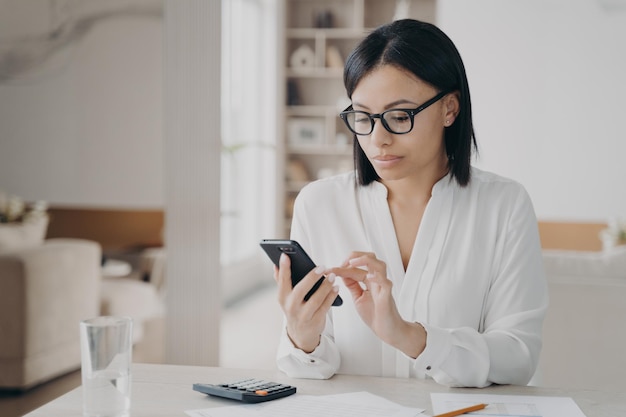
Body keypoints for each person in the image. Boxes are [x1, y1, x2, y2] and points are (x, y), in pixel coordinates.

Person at [273, 19, 548, 388]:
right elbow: (308, 370)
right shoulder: (318, 203)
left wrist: (408, 336)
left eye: (400, 116)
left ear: (450, 108)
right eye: (363, 117)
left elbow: (517, 358)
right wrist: (301, 335)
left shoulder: (504, 206)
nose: (378, 139)